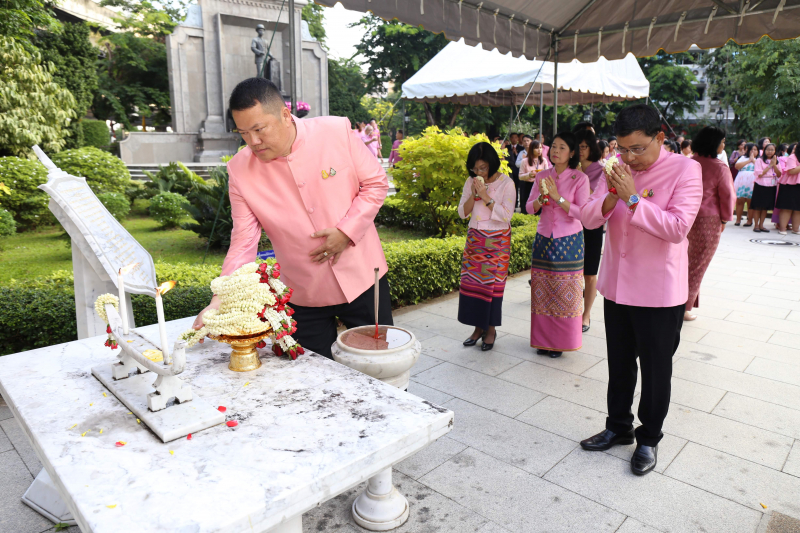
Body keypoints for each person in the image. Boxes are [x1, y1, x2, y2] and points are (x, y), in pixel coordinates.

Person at [191, 78, 392, 359]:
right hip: (303, 294)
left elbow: (375, 184)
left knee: (377, 367)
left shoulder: (335, 132)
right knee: (312, 381)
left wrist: (346, 231)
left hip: (364, 279)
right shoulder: (239, 170)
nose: (253, 142)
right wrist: (219, 299)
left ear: (285, 114)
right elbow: (243, 242)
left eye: (259, 129)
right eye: (243, 133)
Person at [579, 105, 702, 476]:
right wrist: (611, 197)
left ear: (660, 138)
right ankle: (618, 427)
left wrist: (633, 198)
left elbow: (677, 228)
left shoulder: (686, 169)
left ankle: (649, 438)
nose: (629, 157)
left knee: (655, 369)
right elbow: (587, 216)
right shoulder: (616, 167)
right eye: (623, 149)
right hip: (616, 285)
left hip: (658, 293)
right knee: (619, 364)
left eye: (638, 149)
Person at [526, 131, 590, 358]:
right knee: (542, 289)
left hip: (570, 240)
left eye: (562, 147)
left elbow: (582, 212)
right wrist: (540, 200)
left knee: (565, 292)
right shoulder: (541, 175)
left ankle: (561, 343)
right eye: (553, 146)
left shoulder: (580, 179)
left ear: (572, 152)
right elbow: (528, 207)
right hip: (544, 237)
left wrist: (557, 197)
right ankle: (543, 341)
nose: (556, 151)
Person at [457, 142, 516, 351]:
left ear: (492, 164)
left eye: (483, 168)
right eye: (475, 168)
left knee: (493, 286)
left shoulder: (506, 183)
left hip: (497, 240)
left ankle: (490, 330)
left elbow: (507, 215)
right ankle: (477, 328)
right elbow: (462, 213)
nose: (478, 172)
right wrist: (474, 195)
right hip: (475, 239)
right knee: (474, 285)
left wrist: (485, 196)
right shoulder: (470, 182)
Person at [684, 126, 735, 322]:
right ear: (714, 143)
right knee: (698, 265)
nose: (724, 144)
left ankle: (679, 303)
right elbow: (727, 196)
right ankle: (685, 307)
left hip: (686, 218)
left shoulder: (688, 163)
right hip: (708, 222)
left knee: (684, 262)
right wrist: (724, 219)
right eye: (722, 141)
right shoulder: (719, 167)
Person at [576, 129, 604, 333]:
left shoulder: (601, 170)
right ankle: (573, 310)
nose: (580, 151)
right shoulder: (569, 169)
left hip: (592, 225)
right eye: (576, 147)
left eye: (584, 147)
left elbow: (598, 197)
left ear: (592, 148)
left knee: (590, 273)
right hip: (571, 225)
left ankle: (586, 315)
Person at [750, 143, 781, 232]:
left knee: (765, 207)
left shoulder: (777, 160)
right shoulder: (759, 160)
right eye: (768, 149)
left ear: (775, 151)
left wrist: (774, 165)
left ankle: (761, 225)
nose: (770, 152)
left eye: (772, 150)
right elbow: (759, 174)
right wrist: (770, 166)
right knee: (758, 206)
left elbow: (779, 174)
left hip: (771, 185)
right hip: (760, 185)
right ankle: (756, 225)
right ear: (764, 151)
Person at [518, 140, 550, 215]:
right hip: (527, 186)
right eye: (536, 148)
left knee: (539, 209)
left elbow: (548, 174)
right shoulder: (525, 161)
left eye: (540, 148)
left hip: (540, 186)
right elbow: (520, 176)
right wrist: (529, 175)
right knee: (527, 209)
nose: (539, 150)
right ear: (531, 149)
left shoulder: (543, 160)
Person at [777, 144, 800, 235]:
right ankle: (782, 229)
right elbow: (791, 171)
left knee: (798, 209)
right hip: (789, 185)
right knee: (786, 208)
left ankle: (795, 229)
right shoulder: (792, 157)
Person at [733, 143, 758, 226]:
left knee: (751, 202)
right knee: (740, 201)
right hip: (741, 181)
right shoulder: (742, 158)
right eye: (751, 149)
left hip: (753, 182)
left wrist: (753, 160)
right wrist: (749, 160)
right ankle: (738, 220)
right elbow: (737, 166)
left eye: (755, 149)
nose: (753, 151)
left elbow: (760, 169)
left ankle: (749, 221)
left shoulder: (760, 160)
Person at [505, 133, 523, 208]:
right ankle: (511, 203)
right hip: (509, 170)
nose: (514, 139)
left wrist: (516, 153)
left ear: (518, 139)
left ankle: (517, 203)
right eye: (512, 137)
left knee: (517, 187)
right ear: (510, 138)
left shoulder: (521, 148)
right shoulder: (506, 147)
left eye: (516, 137)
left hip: (518, 170)